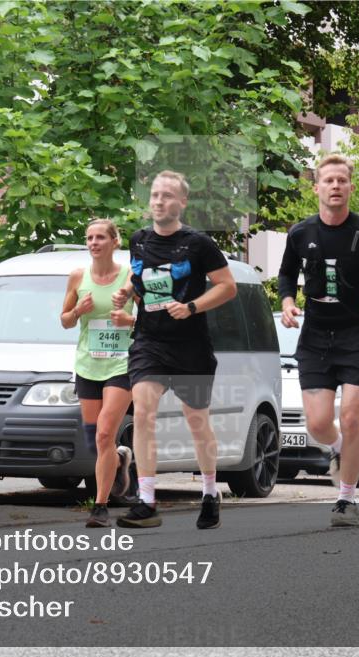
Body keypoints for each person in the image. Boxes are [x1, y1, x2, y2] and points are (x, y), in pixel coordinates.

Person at [278, 154, 359, 527]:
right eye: (329, 181)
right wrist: (288, 303)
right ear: (316, 187)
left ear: (351, 187)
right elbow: (287, 275)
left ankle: (346, 500)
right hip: (316, 335)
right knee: (318, 425)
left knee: (352, 418)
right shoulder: (300, 234)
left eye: (342, 181)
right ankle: (340, 449)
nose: (335, 186)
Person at [111, 170, 237, 529]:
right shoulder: (139, 240)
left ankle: (211, 493)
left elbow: (227, 287)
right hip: (149, 342)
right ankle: (147, 501)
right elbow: (142, 285)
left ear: (181, 202)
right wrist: (127, 294)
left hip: (191, 347)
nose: (158, 202)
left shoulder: (198, 244)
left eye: (167, 196)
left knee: (197, 422)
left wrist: (192, 306)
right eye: (154, 195)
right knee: (145, 410)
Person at [61, 219, 136, 527]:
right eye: (89, 237)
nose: (93, 242)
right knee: (97, 441)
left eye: (100, 237)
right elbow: (64, 320)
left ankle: (100, 507)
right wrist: (79, 311)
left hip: (121, 364)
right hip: (88, 364)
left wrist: (128, 322)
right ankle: (119, 460)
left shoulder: (130, 276)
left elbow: (153, 319)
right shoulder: (78, 277)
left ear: (114, 242)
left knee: (106, 432)